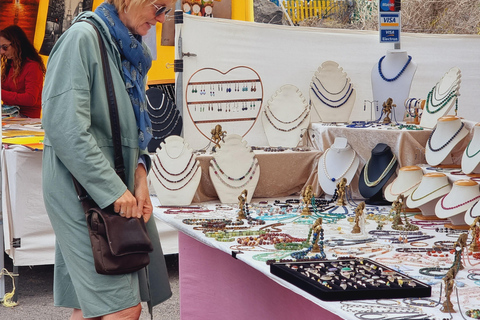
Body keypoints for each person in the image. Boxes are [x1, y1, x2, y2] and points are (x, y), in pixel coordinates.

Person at [41, 0, 173, 318]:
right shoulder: (83, 38)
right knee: (122, 308)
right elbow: (64, 125)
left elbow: (132, 129)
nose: (160, 18)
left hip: (104, 184)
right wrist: (114, 190)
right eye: (158, 6)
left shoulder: (124, 48)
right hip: (84, 188)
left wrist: (140, 176)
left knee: (92, 307)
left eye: (166, 9)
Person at [1, 25, 45, 118]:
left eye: (5, 47)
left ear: (17, 44)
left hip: (26, 117)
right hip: (9, 113)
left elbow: (30, 99)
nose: (2, 52)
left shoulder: (32, 66)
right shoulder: (11, 65)